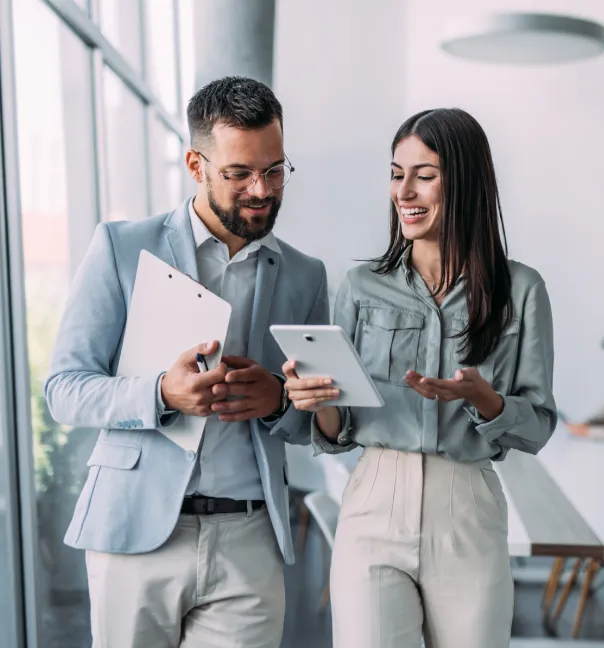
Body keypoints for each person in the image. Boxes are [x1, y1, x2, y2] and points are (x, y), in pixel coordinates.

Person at [45, 76, 329, 648]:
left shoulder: (305, 275)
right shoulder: (122, 248)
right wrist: (160, 394)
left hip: (250, 540)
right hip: (136, 532)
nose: (262, 189)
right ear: (196, 165)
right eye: (239, 173)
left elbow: (315, 421)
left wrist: (278, 400)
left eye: (275, 170)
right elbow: (64, 389)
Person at [283, 108, 557, 648]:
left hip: (468, 507)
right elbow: (343, 429)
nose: (403, 191)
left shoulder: (521, 290)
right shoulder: (361, 285)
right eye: (395, 173)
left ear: (467, 182)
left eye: (424, 175)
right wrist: (317, 400)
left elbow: (539, 425)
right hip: (373, 501)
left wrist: (487, 402)